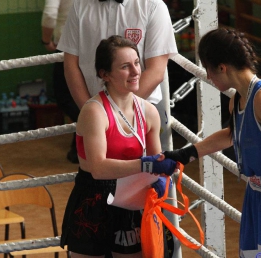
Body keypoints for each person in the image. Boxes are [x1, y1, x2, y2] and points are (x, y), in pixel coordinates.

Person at [161, 28, 261, 258]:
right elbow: (234, 134)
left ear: (222, 67)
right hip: (256, 199)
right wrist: (189, 153)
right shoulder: (239, 98)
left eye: (208, 69)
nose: (209, 77)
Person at [60, 35, 176, 258]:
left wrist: (161, 178)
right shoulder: (94, 111)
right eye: (125, 66)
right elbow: (99, 168)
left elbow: (158, 164)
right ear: (105, 75)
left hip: (131, 198)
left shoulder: (149, 112)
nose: (135, 72)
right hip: (93, 197)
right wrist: (147, 164)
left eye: (136, 62)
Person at [56, 0, 178, 149]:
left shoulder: (153, 5)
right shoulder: (80, 5)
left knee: (148, 168)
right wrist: (92, 112)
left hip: (141, 110)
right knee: (95, 169)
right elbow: (70, 65)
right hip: (94, 111)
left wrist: (117, 116)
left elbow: (156, 71)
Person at [41, 0, 80, 163]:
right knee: (84, 95)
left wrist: (46, 40)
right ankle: (79, 147)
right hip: (93, 44)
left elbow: (50, 14)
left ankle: (89, 136)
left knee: (64, 97)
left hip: (67, 46)